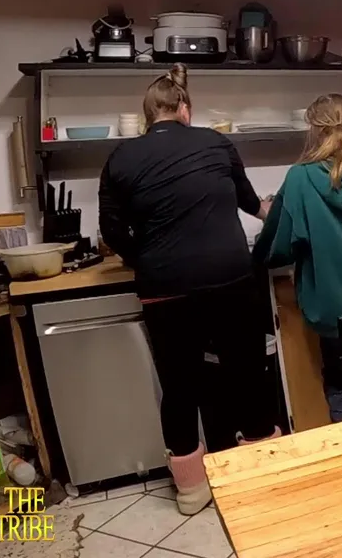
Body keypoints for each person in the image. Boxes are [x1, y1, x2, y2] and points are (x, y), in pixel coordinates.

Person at [98, 64, 277, 516]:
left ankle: (192, 492)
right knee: (247, 374)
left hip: (165, 289)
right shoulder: (215, 142)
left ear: (148, 116)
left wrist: (146, 258)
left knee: (179, 387)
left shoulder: (120, 157)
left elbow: (112, 232)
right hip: (229, 278)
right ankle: (261, 475)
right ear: (184, 109)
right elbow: (251, 204)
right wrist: (276, 213)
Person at [253, 94, 342, 422]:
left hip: (329, 308)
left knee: (339, 384)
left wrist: (260, 256)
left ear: (313, 130)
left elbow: (277, 247)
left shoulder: (300, 178)